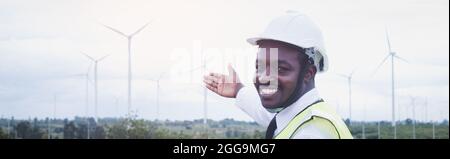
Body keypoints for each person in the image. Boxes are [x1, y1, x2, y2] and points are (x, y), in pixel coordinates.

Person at [203, 11, 353, 139]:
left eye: (280, 69)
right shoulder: (297, 115)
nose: (263, 77)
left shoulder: (311, 133)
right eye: (259, 67)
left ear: (308, 73)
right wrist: (238, 90)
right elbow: (265, 114)